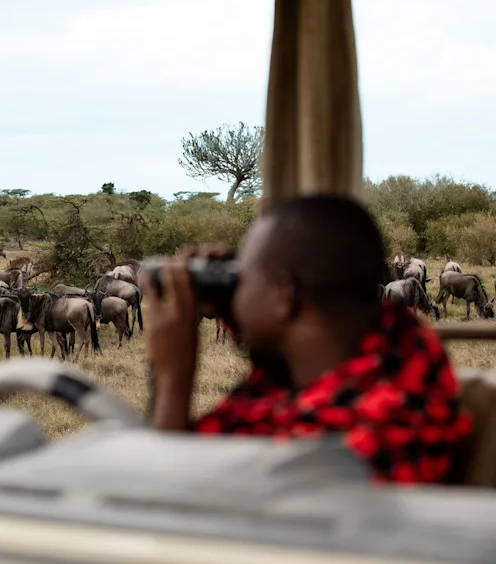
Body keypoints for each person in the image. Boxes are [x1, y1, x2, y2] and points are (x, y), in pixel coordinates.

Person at [140, 194, 471, 484]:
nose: (237, 288)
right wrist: (248, 309)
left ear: (286, 294)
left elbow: (170, 502)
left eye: (245, 277)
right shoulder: (403, 355)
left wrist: (172, 377)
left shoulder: (339, 447)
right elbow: (287, 362)